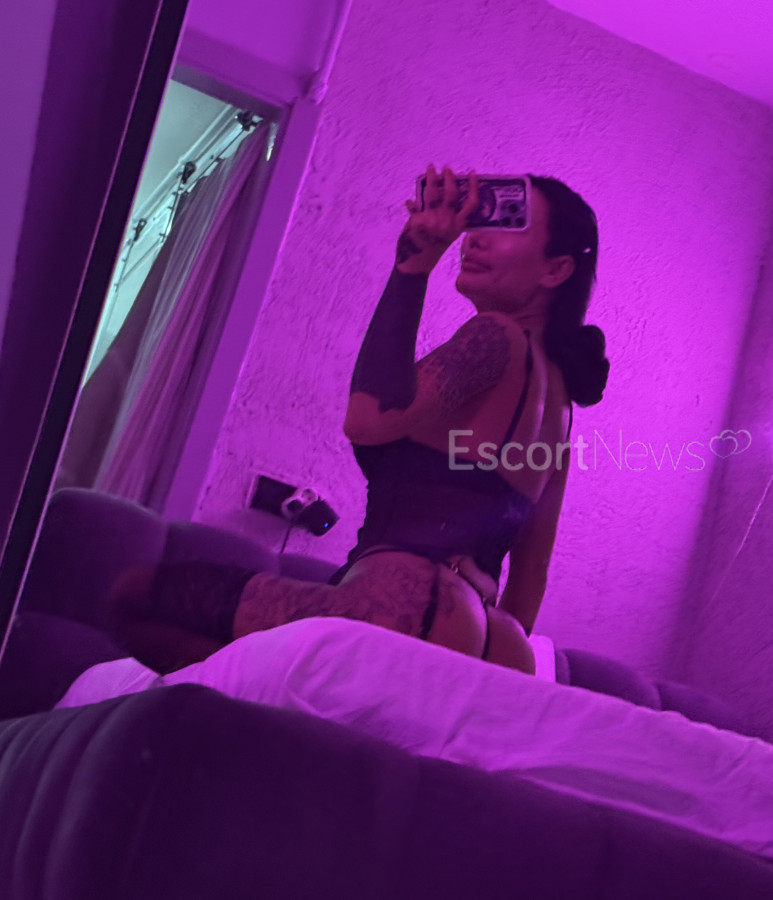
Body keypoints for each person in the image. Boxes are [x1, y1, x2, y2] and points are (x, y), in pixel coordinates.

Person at [104, 165, 608, 675]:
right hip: (492, 640)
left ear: (556, 270)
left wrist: (414, 264)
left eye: (509, 223)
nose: (475, 237)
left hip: (400, 606)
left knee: (135, 596)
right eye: (481, 220)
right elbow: (530, 574)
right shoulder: (562, 409)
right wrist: (484, 662)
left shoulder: (495, 335)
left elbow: (370, 418)